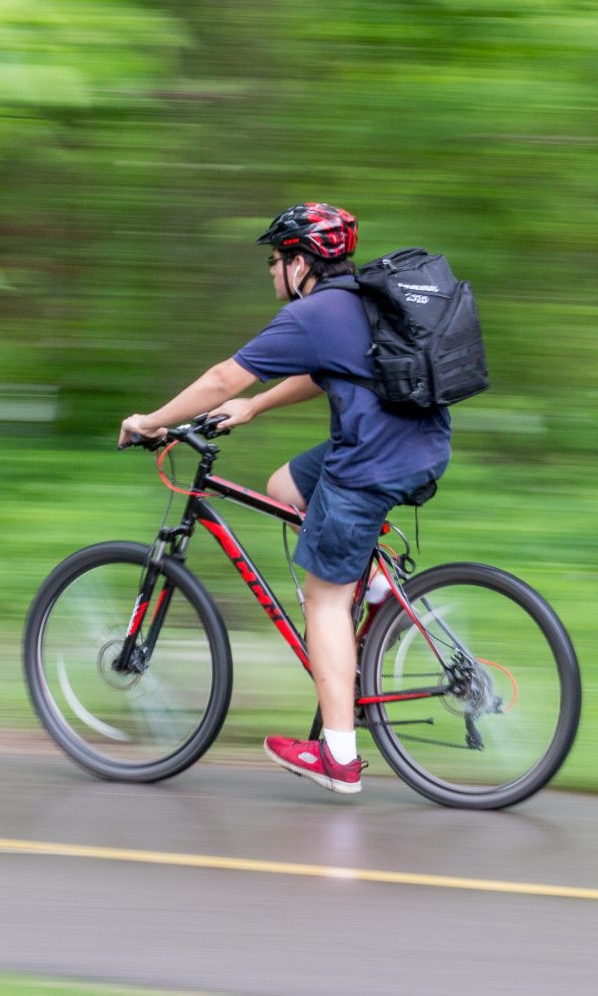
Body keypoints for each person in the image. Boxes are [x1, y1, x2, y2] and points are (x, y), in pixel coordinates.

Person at [117, 203, 452, 794]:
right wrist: (256, 406)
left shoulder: (312, 313)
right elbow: (328, 372)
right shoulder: (360, 300)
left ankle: (339, 758)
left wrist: (150, 421)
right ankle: (375, 588)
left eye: (275, 261)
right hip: (417, 446)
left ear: (300, 263)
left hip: (372, 460)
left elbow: (223, 378)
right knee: (284, 488)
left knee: (322, 600)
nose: (272, 273)